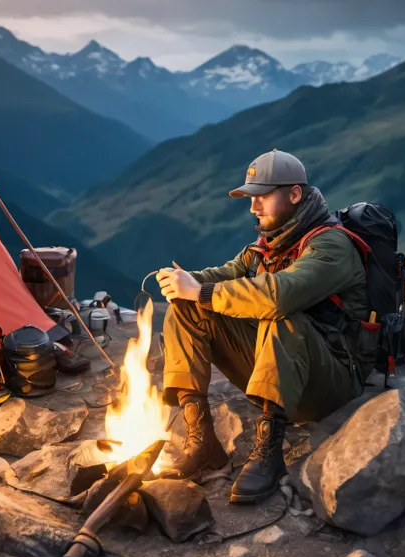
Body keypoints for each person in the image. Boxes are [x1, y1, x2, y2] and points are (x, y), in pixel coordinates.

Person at [155, 149, 376, 504]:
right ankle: (203, 443)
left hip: (332, 381)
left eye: (263, 197)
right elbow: (226, 274)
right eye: (251, 198)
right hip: (284, 371)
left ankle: (269, 452)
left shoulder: (331, 245)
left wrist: (203, 291)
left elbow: (279, 296)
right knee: (185, 307)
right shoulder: (269, 243)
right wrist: (187, 282)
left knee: (283, 315)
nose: (254, 207)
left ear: (294, 194)